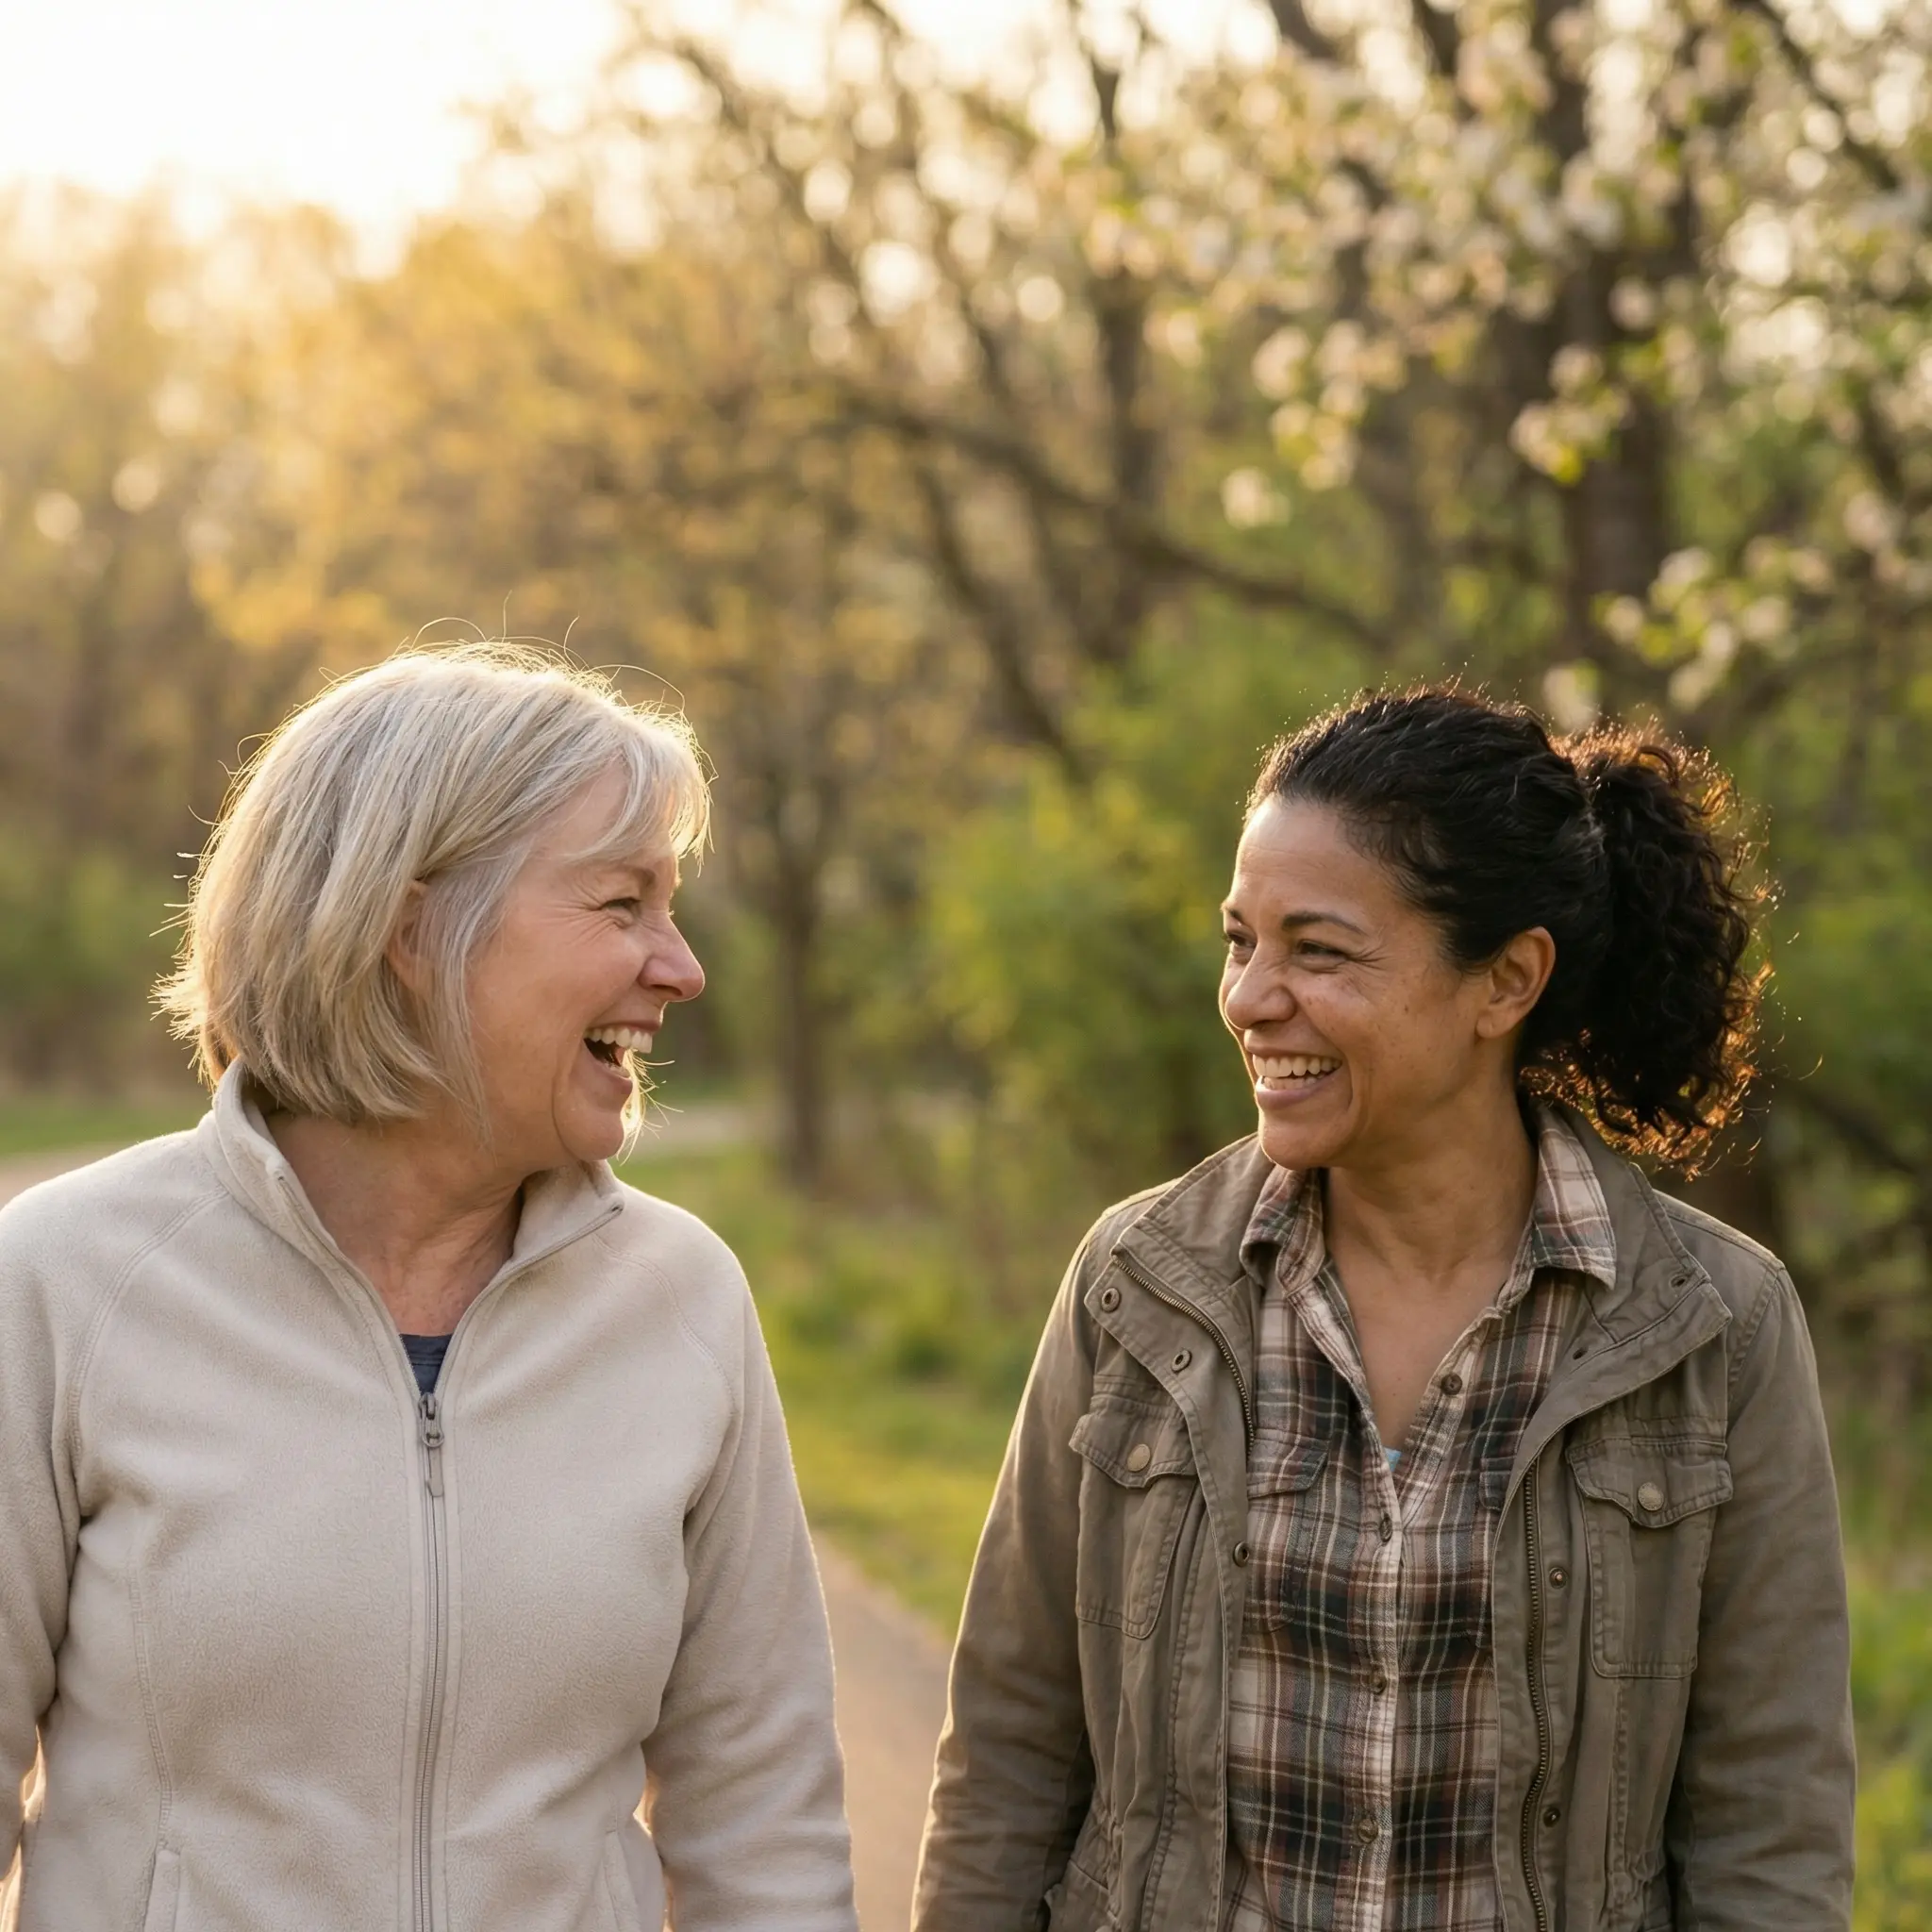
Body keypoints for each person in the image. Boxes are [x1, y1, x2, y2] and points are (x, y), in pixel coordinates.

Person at [914, 688, 1854, 1931]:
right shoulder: (1138, 1288)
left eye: (1318, 950)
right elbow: (1006, 1771)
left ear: (1505, 980)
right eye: (1240, 940)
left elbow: (1768, 1833)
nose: (1250, 998)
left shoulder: (1715, 1327)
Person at [0, 643, 858, 1931]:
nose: (679, 968)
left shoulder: (686, 1302)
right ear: (408, 928)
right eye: (623, 906)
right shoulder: (65, 1280)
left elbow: (765, 1826)